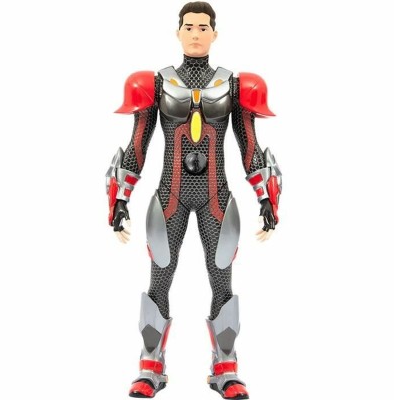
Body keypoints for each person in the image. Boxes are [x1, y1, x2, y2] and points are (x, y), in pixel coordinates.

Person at [105, 2, 282, 398]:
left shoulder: (236, 86)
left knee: (222, 278)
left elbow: (250, 146)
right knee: (160, 276)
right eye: (189, 27)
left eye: (204, 27)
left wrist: (266, 197)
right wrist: (120, 199)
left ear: (215, 33)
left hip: (216, 198)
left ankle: (225, 367)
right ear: (178, 32)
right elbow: (137, 145)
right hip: (170, 196)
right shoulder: (154, 84)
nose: (196, 34)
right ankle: (151, 365)